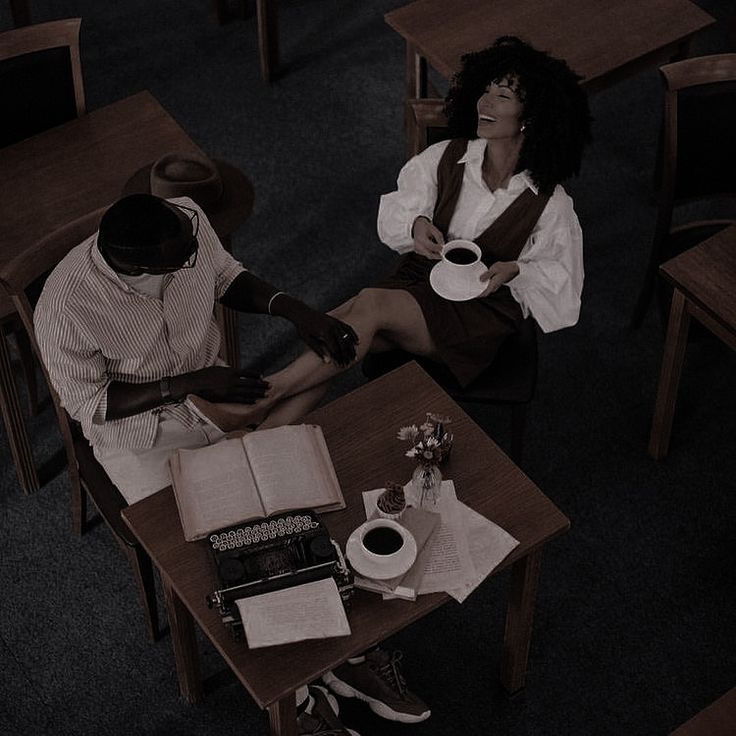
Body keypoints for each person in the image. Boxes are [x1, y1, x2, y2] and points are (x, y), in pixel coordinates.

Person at [216, 36, 592, 435]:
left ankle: (262, 395)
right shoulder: (447, 156)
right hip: (416, 282)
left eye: (502, 96)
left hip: (477, 316)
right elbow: (397, 211)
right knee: (339, 328)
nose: (485, 103)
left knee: (369, 306)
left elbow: (563, 283)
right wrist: (415, 226)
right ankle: (262, 435)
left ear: (530, 117)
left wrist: (516, 269)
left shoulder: (551, 202)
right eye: (485, 90)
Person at [34, 192, 358, 504]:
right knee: (186, 526)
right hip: (141, 433)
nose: (197, 246)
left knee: (287, 486)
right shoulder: (63, 308)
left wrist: (295, 310)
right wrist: (189, 383)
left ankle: (243, 443)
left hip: (214, 393)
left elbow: (224, 276)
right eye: (186, 253)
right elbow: (87, 403)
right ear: (137, 269)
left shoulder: (187, 218)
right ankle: (247, 442)